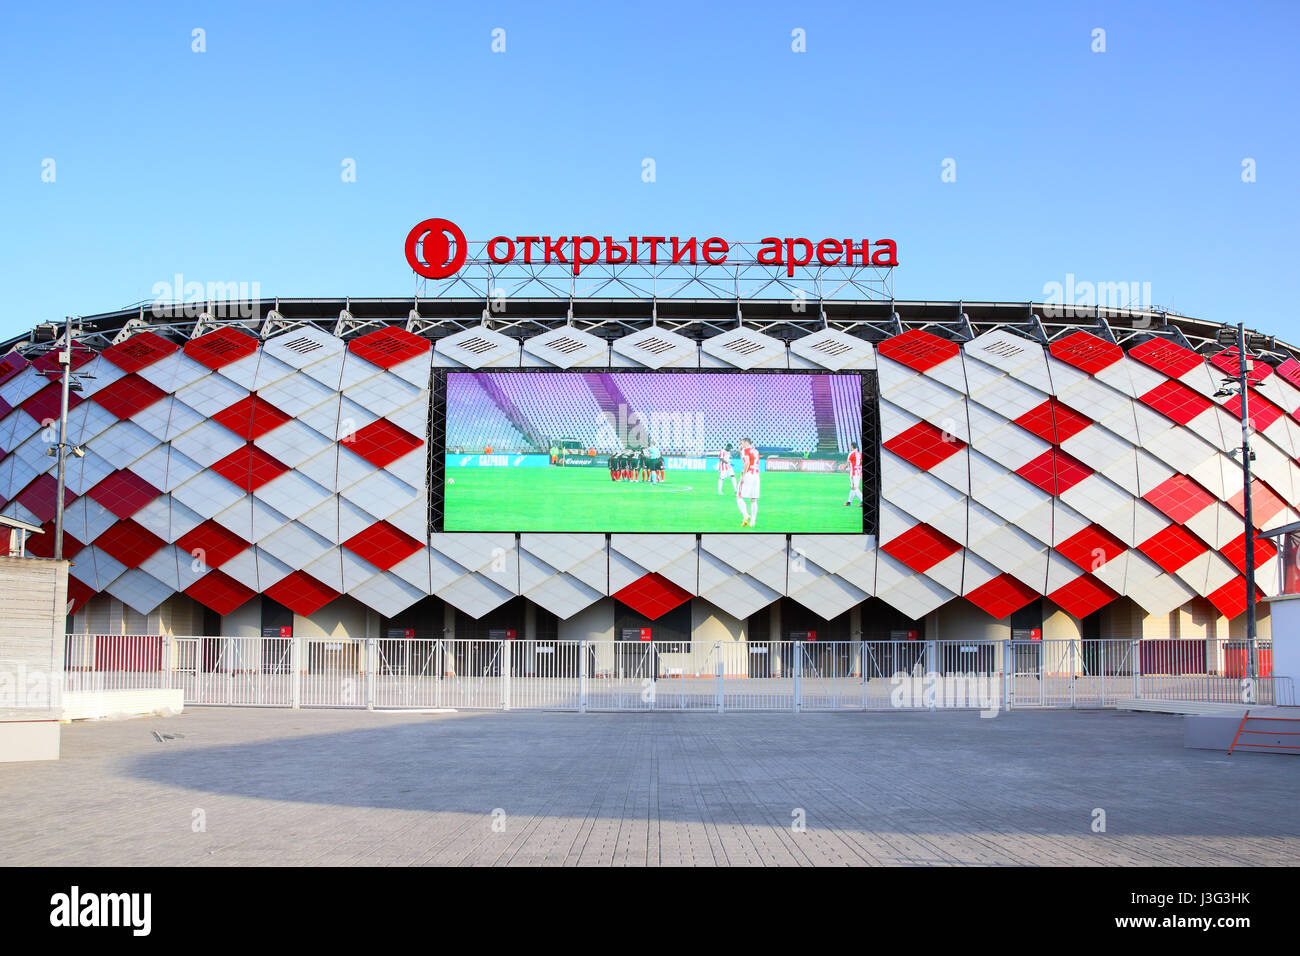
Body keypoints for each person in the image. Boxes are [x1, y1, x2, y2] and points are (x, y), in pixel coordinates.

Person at [736, 437, 761, 527]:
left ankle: (746, 515)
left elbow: (746, 462)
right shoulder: (755, 451)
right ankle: (753, 522)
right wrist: (740, 451)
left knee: (738, 496)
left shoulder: (745, 450)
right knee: (753, 499)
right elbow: (745, 458)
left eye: (742, 442)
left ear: (746, 442)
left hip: (748, 474)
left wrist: (743, 475)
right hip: (756, 475)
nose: (741, 444)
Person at [845, 441, 863, 507]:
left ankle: (862, 500)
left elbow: (847, 464)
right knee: (853, 487)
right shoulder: (859, 453)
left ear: (852, 446)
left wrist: (843, 467)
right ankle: (849, 502)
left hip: (853, 473)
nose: (850, 447)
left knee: (855, 488)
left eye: (850, 446)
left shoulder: (851, 454)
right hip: (858, 472)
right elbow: (861, 462)